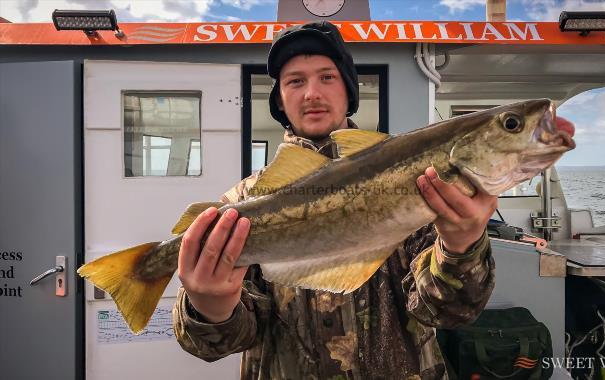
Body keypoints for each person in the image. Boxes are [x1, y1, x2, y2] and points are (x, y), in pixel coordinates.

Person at [173, 21, 497, 379]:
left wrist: (461, 247)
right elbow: (219, 342)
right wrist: (210, 307)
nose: (312, 92)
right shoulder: (245, 201)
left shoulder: (418, 180)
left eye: (327, 77)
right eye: (295, 81)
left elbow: (448, 313)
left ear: (348, 90)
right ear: (280, 98)